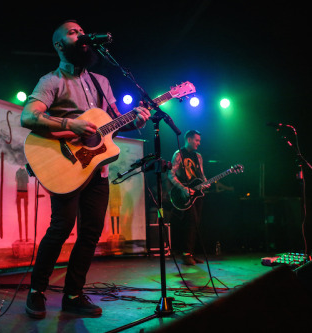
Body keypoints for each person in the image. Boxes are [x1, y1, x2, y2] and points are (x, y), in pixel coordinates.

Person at [20, 20, 150, 318]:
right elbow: (28, 117)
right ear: (59, 44)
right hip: (65, 166)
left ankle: (73, 294)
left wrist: (135, 119)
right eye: (72, 32)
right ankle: (36, 291)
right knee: (61, 228)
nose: (80, 35)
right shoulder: (51, 80)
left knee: (91, 233)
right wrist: (70, 123)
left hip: (97, 169)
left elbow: (111, 124)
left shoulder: (101, 82)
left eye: (81, 31)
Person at [168, 130, 208, 265]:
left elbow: (201, 175)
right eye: (197, 140)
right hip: (184, 194)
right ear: (189, 139)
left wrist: (206, 182)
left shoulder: (199, 156)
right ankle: (185, 254)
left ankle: (190, 253)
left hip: (197, 193)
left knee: (196, 223)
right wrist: (183, 188)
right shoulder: (179, 154)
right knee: (190, 221)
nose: (199, 143)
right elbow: (171, 174)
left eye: (200, 141)